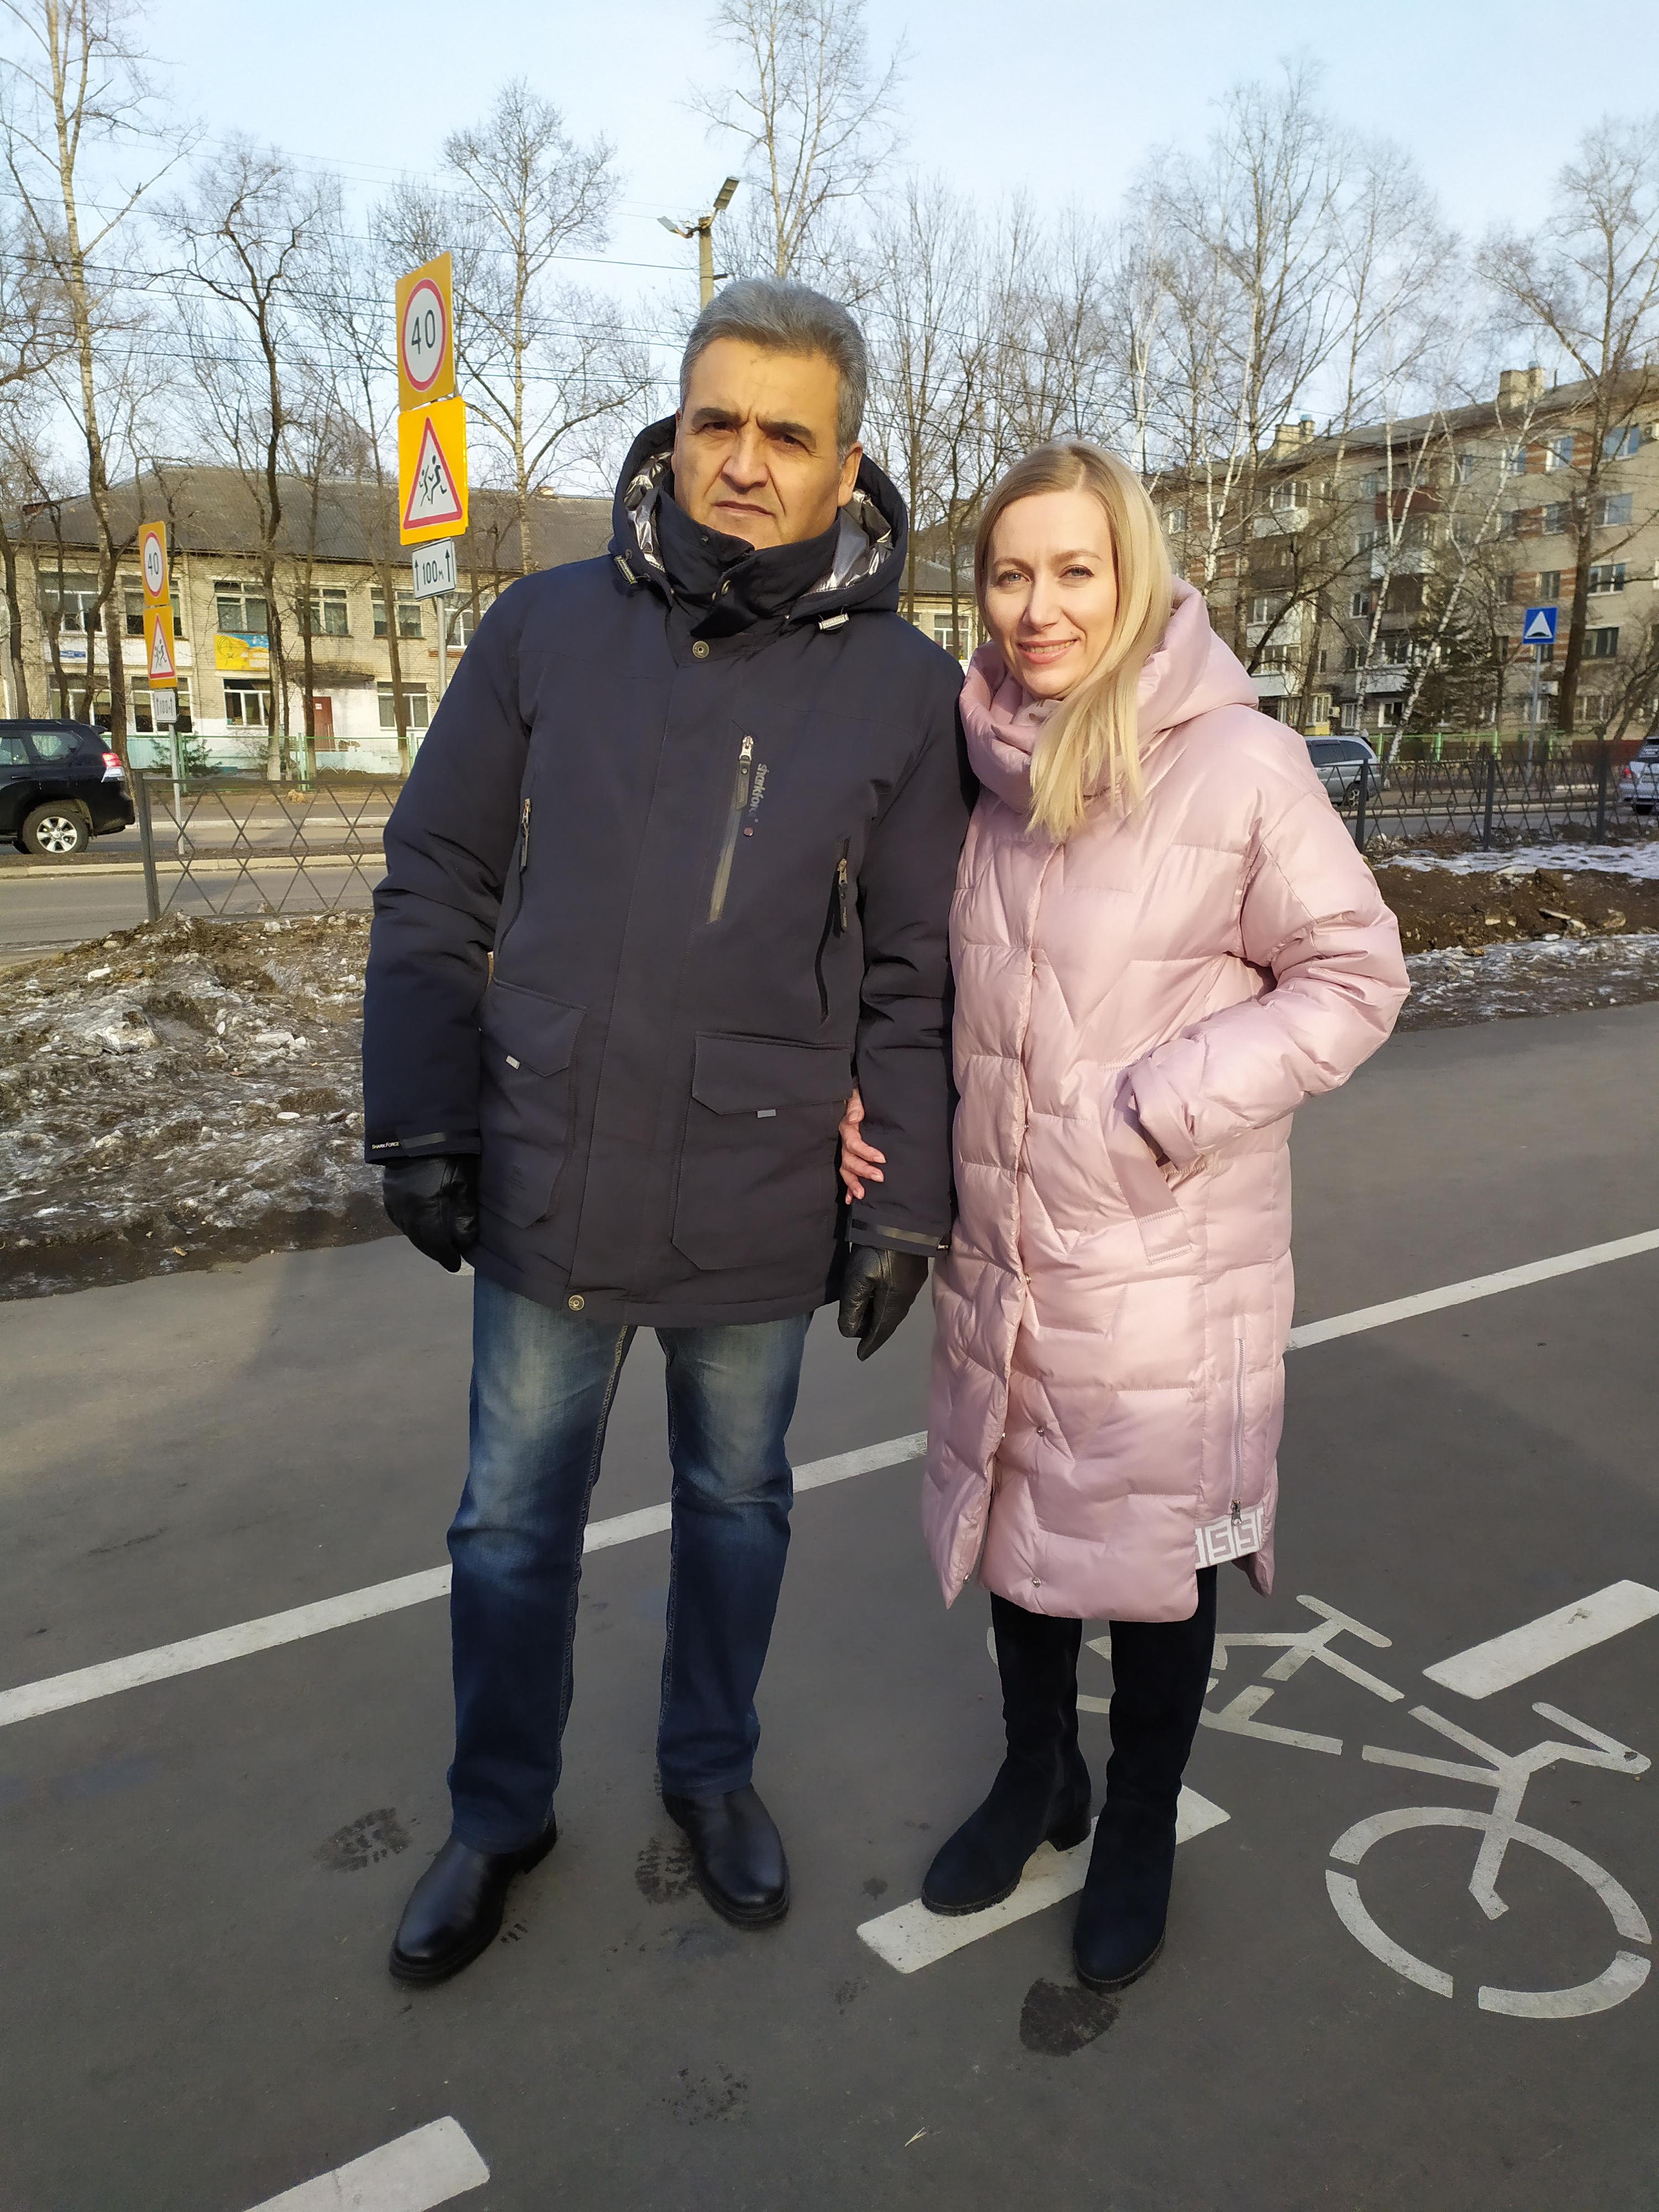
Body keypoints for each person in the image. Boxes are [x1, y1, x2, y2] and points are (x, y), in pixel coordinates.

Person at [363, 277, 971, 1986]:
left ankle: (710, 1772)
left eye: (788, 433)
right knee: (507, 1523)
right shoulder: (544, 629)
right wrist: (421, 1115)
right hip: (548, 1166)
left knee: (738, 1503)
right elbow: (437, 877)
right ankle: (499, 1813)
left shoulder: (904, 691)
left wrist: (903, 1203)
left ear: (847, 465)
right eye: (719, 422)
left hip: (759, 1189)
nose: (746, 461)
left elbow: (919, 972)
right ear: (675, 431)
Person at [839, 441, 1408, 1992]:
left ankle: (1140, 1817)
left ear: (1133, 577)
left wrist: (1160, 1107)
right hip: (1008, 1248)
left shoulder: (1239, 767)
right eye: (1010, 574)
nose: (1039, 608)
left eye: (1074, 571)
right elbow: (931, 978)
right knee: (1021, 1528)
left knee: (1154, 1560)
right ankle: (1040, 1777)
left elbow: (1357, 977)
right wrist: (879, 1106)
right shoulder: (982, 767)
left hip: (1166, 1259)